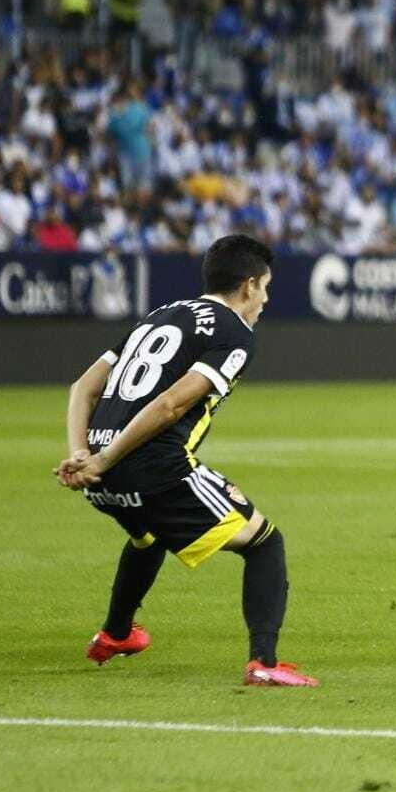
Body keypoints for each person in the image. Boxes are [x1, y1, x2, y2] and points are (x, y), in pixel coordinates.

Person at [53, 235, 316, 687]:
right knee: (264, 542)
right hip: (152, 466)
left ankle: (116, 634)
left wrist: (85, 453)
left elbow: (83, 386)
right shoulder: (235, 333)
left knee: (148, 535)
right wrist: (107, 457)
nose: (267, 299)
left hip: (102, 477)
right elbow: (172, 405)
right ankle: (265, 663)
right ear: (249, 286)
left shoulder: (160, 315)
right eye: (266, 287)